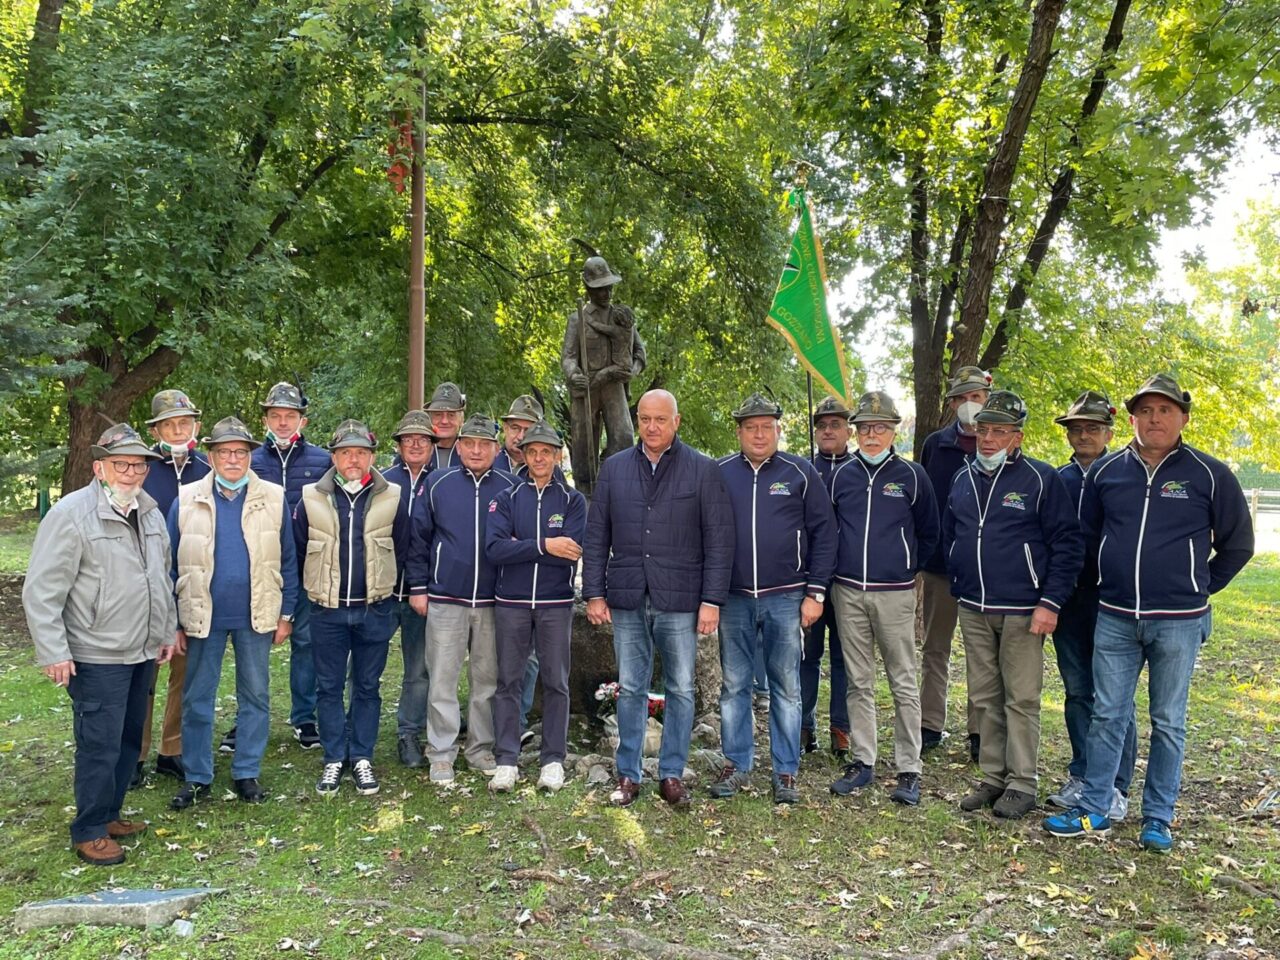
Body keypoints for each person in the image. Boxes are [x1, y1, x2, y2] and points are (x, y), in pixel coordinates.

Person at [1044, 374, 1253, 851]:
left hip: (1178, 622)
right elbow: (1090, 537)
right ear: (1132, 418)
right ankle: (1096, 806)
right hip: (1115, 616)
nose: (1154, 419)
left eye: (1164, 410)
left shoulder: (1208, 473)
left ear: (1182, 416)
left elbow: (1238, 543)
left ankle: (1157, 816)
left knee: (1168, 721)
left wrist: (1200, 586)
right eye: (1145, 411)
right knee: (1107, 714)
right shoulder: (1107, 472)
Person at [24, 424, 178, 865]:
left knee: (130, 739)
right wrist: (54, 650)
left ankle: (110, 815)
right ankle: (88, 828)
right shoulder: (71, 514)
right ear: (99, 467)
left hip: (141, 650)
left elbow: (160, 580)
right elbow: (42, 589)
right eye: (121, 464)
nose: (131, 472)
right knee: (99, 743)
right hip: (96, 653)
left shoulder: (149, 511)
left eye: (139, 464)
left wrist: (165, 631)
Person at [583, 389, 734, 808]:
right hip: (628, 595)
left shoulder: (702, 470)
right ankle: (628, 774)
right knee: (631, 687)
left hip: (682, 599)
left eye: (660, 420)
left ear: (676, 422)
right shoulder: (614, 470)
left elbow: (718, 542)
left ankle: (671, 773)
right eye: (644, 419)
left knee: (681, 688)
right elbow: (597, 536)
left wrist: (712, 600)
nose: (651, 427)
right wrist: (594, 592)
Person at [944, 391, 1083, 819]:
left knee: (1021, 698)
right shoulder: (962, 478)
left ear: (1017, 437)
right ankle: (993, 777)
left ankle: (1022, 783)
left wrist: (1051, 601)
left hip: (1025, 609)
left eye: (999, 431)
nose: (988, 438)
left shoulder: (1041, 479)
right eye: (984, 429)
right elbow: (953, 533)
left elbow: (1068, 545)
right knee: (984, 696)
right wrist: (958, 576)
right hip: (973, 606)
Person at [167, 418, 298, 809]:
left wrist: (286, 613)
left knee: (255, 696)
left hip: (256, 613)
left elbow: (288, 559)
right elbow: (170, 565)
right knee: (197, 697)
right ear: (211, 456)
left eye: (240, 452)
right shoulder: (186, 498)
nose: (233, 459)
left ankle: (246, 772)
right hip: (201, 614)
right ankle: (196, 775)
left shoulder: (273, 497)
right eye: (224, 452)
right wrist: (174, 622)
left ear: (250, 455)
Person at [713, 393, 836, 804]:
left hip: (787, 596)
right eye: (751, 427)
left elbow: (825, 533)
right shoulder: (721, 473)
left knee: (786, 685)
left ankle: (785, 770)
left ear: (778, 429)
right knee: (734, 685)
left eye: (767, 426)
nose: (759, 433)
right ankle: (736, 763)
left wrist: (816, 591)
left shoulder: (800, 472)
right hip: (734, 598)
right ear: (739, 432)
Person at [827, 391, 939, 806]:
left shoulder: (912, 476)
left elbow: (930, 532)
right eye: (865, 428)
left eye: (881, 427)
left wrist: (906, 568)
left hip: (895, 593)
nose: (873, 435)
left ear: (894, 431)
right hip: (849, 590)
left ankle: (909, 768)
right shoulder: (841, 475)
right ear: (855, 432)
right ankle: (863, 760)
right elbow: (827, 529)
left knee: (903, 680)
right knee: (858, 679)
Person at [294, 420, 412, 797]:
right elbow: (297, 551)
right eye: (346, 453)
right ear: (334, 457)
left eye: (361, 452)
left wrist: (391, 599)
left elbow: (406, 548)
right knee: (327, 687)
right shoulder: (311, 496)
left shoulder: (391, 495)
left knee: (367, 686)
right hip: (327, 611)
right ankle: (333, 756)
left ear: (372, 457)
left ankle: (361, 755)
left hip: (373, 609)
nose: (354, 459)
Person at [1044, 391, 1136, 820]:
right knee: (1078, 690)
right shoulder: (1056, 480)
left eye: (1093, 429)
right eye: (1077, 429)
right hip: (1067, 599)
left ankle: (1116, 783)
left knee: (1115, 697)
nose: (1084, 435)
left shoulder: (1125, 476)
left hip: (1113, 600)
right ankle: (1082, 772)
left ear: (1110, 433)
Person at [411, 415, 517, 785]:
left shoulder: (510, 486)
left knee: (487, 679)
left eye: (484, 444)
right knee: (442, 678)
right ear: (458, 446)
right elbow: (419, 539)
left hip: (494, 600)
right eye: (469, 442)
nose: (476, 450)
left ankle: (480, 747)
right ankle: (441, 753)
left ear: (495, 448)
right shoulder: (437, 482)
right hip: (445, 596)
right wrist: (418, 587)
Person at [224, 382, 329, 756]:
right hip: (257, 570)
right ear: (265, 418)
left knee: (305, 643)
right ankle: (247, 718)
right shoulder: (250, 460)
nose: (283, 422)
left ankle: (304, 717)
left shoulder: (322, 460)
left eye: (290, 416)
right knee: (252, 646)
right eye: (275, 416)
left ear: (302, 419)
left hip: (307, 567)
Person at [485, 421, 587, 793]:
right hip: (510, 603)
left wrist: (522, 544)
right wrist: (544, 544)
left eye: (546, 451)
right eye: (532, 451)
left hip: (555, 603)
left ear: (558, 455)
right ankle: (507, 760)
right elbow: (495, 550)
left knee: (556, 681)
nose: (539, 457)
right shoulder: (508, 497)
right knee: (508, 681)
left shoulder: (573, 501)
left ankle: (553, 760)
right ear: (523, 455)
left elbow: (570, 553)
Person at [135, 388, 210, 787]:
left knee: (186, 673)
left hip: (194, 587)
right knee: (143, 676)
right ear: (157, 429)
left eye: (184, 423)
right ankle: (135, 752)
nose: (178, 430)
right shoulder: (142, 469)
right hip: (146, 589)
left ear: (195, 426)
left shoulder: (208, 469)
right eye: (169, 424)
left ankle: (172, 749)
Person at [918, 365, 992, 759]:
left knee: (981, 653)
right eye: (962, 398)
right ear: (951, 404)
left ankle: (980, 732)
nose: (969, 405)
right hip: (939, 567)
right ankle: (930, 723)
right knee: (935, 648)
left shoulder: (1000, 444)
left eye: (975, 397)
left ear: (987, 399)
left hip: (983, 569)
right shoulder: (935, 445)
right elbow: (923, 502)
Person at [561, 256, 647, 493]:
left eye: (609, 287)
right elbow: (568, 357)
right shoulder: (577, 319)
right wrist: (572, 373)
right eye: (600, 288)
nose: (607, 292)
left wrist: (633, 371)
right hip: (586, 388)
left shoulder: (621, 317)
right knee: (582, 444)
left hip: (614, 387)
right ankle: (585, 495)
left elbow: (640, 352)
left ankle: (618, 487)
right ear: (588, 288)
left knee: (624, 436)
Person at [383, 410, 436, 769]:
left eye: (422, 439)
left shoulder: (444, 482)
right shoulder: (382, 481)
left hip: (423, 593)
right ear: (399, 445)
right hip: (382, 591)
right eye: (408, 439)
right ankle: (359, 729)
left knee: (418, 669)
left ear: (433, 445)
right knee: (365, 667)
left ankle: (409, 732)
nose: (415, 445)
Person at [804, 395, 854, 758]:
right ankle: (803, 725)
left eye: (835, 424)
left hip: (850, 579)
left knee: (845, 657)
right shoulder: (802, 469)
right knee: (806, 655)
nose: (827, 431)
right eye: (821, 425)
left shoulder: (861, 469)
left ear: (848, 430)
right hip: (809, 578)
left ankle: (841, 727)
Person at [425, 381, 466, 470]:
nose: (444, 421)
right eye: (438, 414)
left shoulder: (472, 455)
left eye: (451, 415)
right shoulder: (416, 452)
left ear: (461, 420)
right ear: (430, 419)